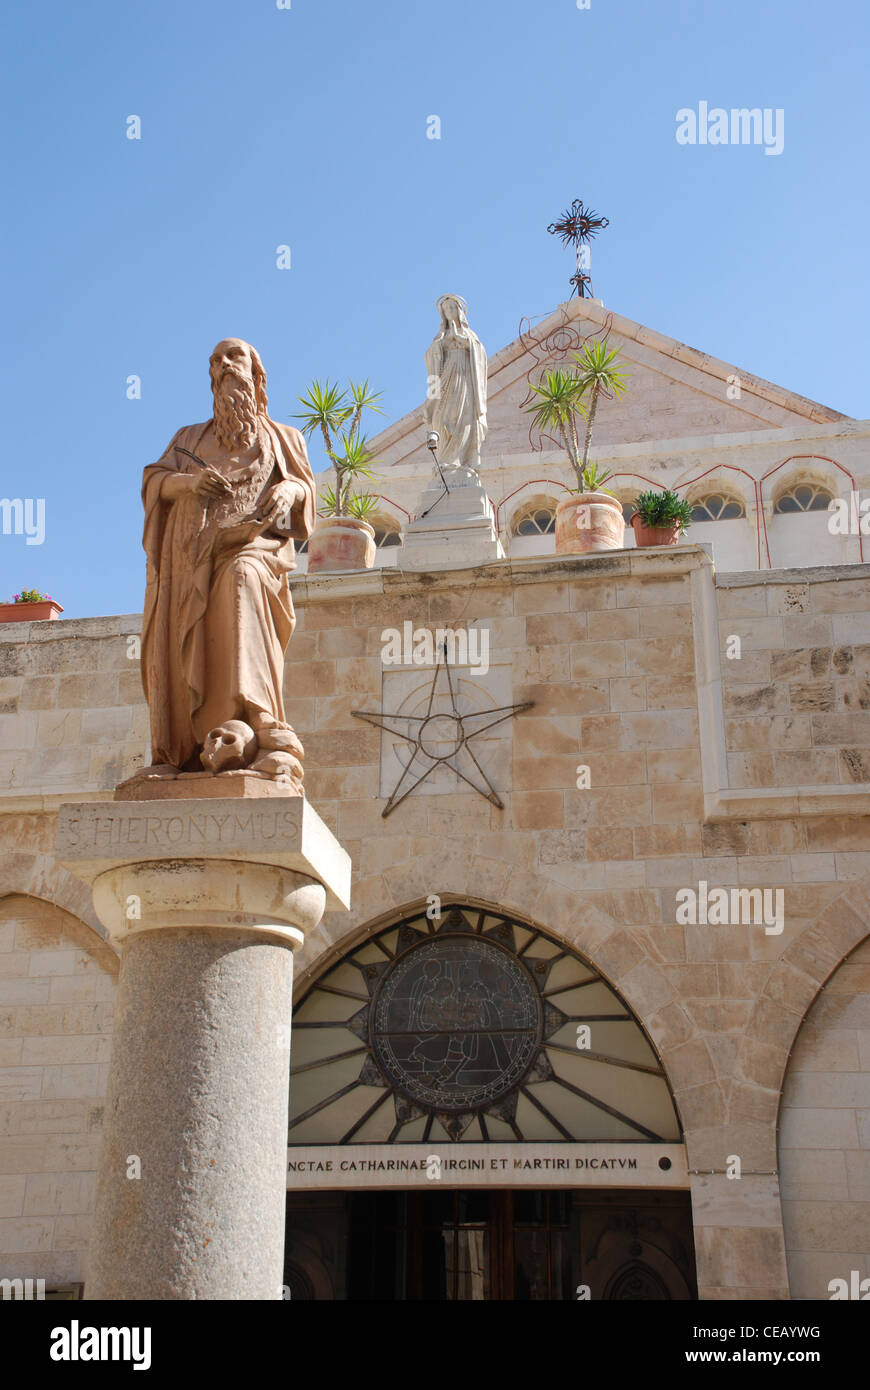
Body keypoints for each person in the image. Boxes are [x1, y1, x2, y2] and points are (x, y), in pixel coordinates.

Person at [139, 338, 316, 772]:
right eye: (215, 361)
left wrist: (290, 489)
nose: (222, 366)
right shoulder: (189, 439)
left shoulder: (284, 438)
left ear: (257, 374)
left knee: (243, 575)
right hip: (191, 556)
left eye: (232, 357)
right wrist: (192, 483)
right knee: (183, 624)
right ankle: (183, 749)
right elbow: (154, 481)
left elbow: (307, 493)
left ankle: (261, 718)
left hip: (255, 550)